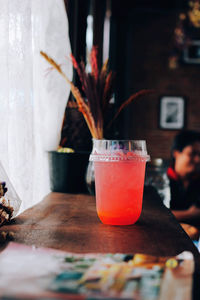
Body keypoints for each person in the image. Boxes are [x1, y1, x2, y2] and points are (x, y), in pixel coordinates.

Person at [167, 130, 200, 227]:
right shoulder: (160, 179)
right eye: (192, 153)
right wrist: (190, 214)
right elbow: (154, 215)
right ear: (176, 153)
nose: (198, 160)